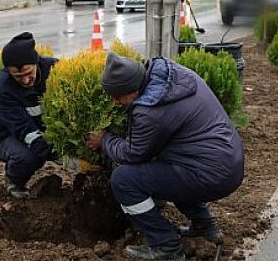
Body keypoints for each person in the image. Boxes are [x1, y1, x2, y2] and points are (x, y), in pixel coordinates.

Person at [87, 52, 245, 261]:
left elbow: (132, 154)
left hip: (212, 174)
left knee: (123, 179)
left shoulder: (150, 111)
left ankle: (166, 245)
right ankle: (205, 226)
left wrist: (105, 140)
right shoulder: (172, 75)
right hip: (229, 161)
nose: (115, 103)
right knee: (169, 168)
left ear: (132, 89)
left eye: (117, 97)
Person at [0, 32, 59, 199]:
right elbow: (26, 132)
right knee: (28, 157)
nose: (26, 80)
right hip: (11, 135)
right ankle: (14, 180)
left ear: (36, 62)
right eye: (18, 77)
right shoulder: (2, 89)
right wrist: (62, 157)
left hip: (49, 130)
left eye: (29, 72)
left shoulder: (56, 71)